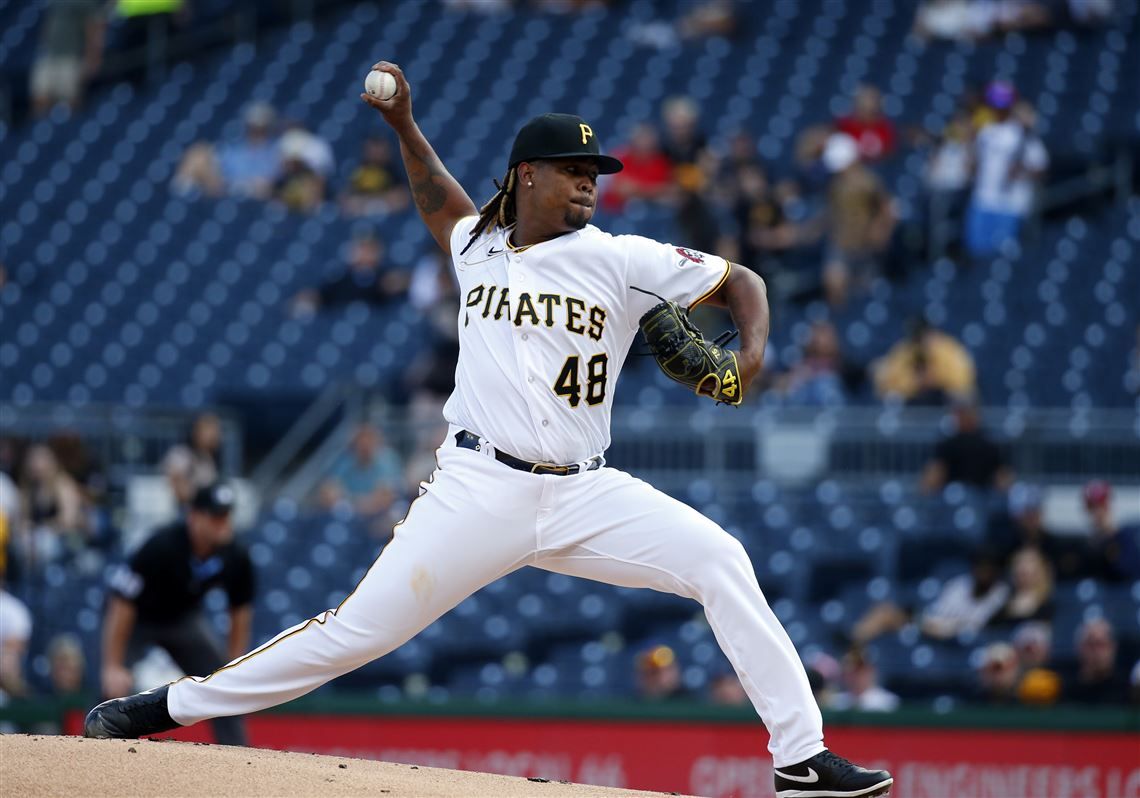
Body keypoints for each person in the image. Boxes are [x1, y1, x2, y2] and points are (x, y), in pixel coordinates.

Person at [85, 61, 892, 798]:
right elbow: (434, 188)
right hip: (479, 487)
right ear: (526, 176)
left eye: (595, 173)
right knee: (352, 635)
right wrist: (404, 125)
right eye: (573, 172)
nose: (588, 184)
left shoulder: (621, 257)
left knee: (721, 559)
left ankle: (800, 758)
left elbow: (741, 280)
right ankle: (164, 706)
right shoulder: (477, 246)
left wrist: (749, 356)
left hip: (586, 491)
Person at [98, 483, 253, 745]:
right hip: (138, 619)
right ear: (193, 516)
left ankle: (240, 759)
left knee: (225, 688)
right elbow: (122, 603)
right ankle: (90, 750)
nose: (222, 524)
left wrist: (233, 664)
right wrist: (113, 665)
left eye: (225, 516)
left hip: (182, 620)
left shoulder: (235, 555)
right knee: (111, 686)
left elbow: (240, 612)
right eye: (215, 516)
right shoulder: (162, 545)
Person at [852, 549, 1009, 644]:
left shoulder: (1000, 592)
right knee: (884, 610)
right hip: (932, 627)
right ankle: (853, 640)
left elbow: (976, 625)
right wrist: (925, 622)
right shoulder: (961, 584)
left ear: (995, 571)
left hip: (954, 637)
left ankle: (853, 643)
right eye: (979, 566)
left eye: (987, 568)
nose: (982, 572)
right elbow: (938, 611)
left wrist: (938, 626)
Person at [965, 83, 1048, 259]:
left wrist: (1022, 171)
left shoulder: (1023, 134)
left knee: (1003, 256)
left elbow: (1041, 167)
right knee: (977, 251)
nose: (997, 109)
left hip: (1010, 203)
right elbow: (973, 165)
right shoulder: (985, 132)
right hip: (983, 198)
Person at [818, 133, 897, 307]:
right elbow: (831, 212)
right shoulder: (835, 184)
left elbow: (887, 210)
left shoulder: (869, 182)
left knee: (863, 292)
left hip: (864, 245)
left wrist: (880, 231)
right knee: (834, 284)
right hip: (840, 242)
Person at [290, 229, 407, 316]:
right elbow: (321, 294)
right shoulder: (340, 278)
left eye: (369, 248)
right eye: (362, 247)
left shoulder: (386, 276)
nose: (364, 252)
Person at [875, 317, 977, 406]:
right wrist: (915, 383)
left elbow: (962, 379)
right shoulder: (904, 350)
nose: (920, 340)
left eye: (922, 335)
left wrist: (935, 378)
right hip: (912, 400)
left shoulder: (947, 349)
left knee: (960, 396)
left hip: (943, 398)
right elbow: (889, 383)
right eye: (916, 336)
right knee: (893, 399)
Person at [29, 0, 106, 117]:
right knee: (40, 97)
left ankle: (69, 129)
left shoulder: (86, 2)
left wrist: (93, 56)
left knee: (70, 100)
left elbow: (94, 27)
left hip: (71, 56)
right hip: (50, 55)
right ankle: (43, 129)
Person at [919, 398, 1013, 494]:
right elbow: (932, 479)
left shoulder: (989, 444)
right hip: (952, 496)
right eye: (961, 413)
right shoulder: (947, 445)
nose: (963, 417)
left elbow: (1003, 479)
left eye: (967, 413)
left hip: (983, 496)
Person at [317, 424, 405, 521]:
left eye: (369, 442)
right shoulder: (345, 461)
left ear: (377, 443)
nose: (365, 447)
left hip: (380, 514)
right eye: (361, 443)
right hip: (350, 512)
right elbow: (330, 489)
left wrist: (360, 503)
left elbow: (387, 495)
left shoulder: (388, 460)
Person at [161, 413, 224, 510]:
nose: (213, 436)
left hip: (205, 511)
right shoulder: (180, 454)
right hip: (182, 511)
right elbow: (181, 492)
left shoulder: (210, 460)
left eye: (215, 432)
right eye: (208, 431)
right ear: (196, 432)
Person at [1081, 480, 1140, 581]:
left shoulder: (1126, 537)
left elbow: (1127, 572)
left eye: (1101, 506)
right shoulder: (1089, 544)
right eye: (1091, 507)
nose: (1096, 512)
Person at [339, 136, 410, 217]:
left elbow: (403, 196)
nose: (376, 154)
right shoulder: (359, 170)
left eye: (379, 150)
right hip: (362, 212)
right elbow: (346, 199)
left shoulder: (394, 170)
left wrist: (375, 200)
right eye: (373, 149)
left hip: (390, 212)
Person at [1063, 618, 1129, 705]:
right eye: (1090, 644)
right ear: (1078, 648)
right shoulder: (1065, 690)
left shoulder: (1126, 690)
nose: (1097, 652)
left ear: (1113, 647)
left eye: (1101, 644)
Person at [834, 85, 897, 163]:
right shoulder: (844, 125)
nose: (866, 111)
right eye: (863, 107)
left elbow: (890, 157)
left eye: (870, 109)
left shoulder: (886, 129)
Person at [826, 647, 899, 712]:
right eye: (851, 671)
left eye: (859, 670)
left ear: (871, 671)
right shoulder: (836, 702)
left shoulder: (887, 703)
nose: (855, 676)